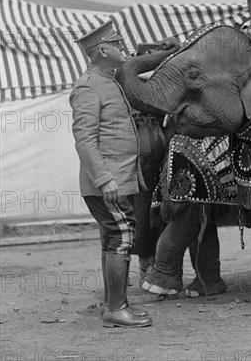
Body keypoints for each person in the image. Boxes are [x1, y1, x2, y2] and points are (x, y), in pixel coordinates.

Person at [69, 21, 152, 328]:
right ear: (103, 50)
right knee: (122, 238)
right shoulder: (90, 86)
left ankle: (114, 303)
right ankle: (116, 309)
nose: (124, 47)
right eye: (118, 43)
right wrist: (105, 179)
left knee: (112, 239)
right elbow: (85, 140)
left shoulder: (108, 80)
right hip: (109, 182)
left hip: (116, 180)